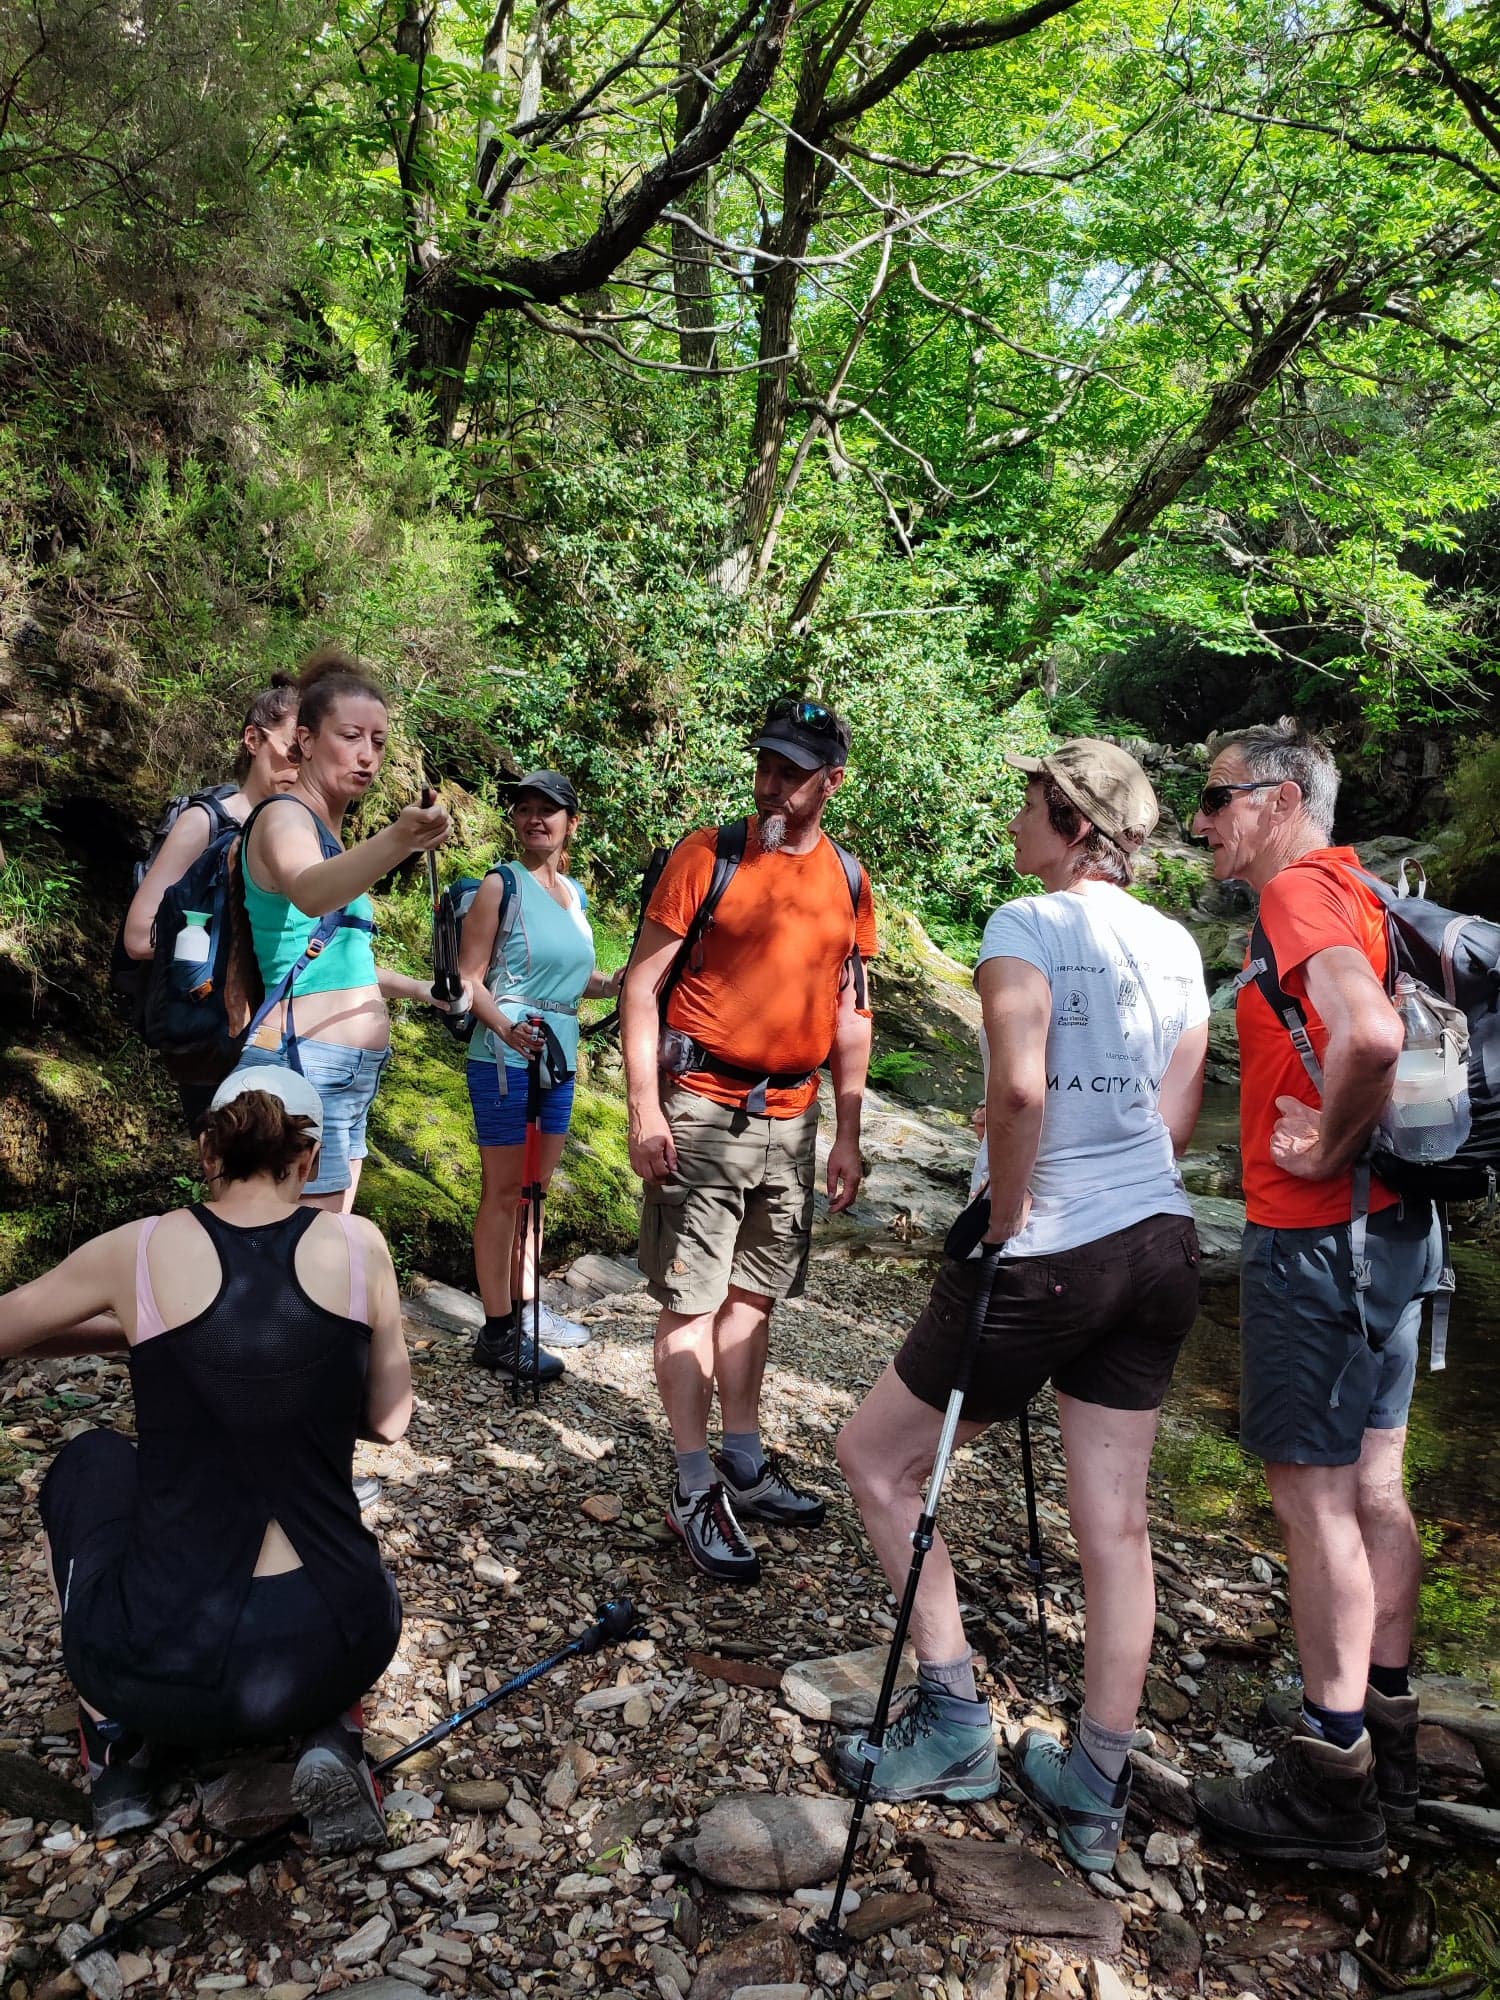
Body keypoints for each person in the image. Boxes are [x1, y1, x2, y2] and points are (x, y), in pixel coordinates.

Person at [833, 741, 1208, 1870]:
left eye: (1029, 801)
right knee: (1119, 1524)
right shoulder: (1182, 946)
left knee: (878, 1462)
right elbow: (1175, 1118)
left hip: (1047, 1248)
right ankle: (1094, 1783)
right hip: (1163, 1243)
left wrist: (1006, 1215)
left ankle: (953, 1726)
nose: (1013, 818)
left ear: (1075, 824)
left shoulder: (1025, 924)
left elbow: (1017, 1087)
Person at [2, 1066, 409, 1852]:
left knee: (90, 1461)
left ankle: (116, 1742)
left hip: (165, 1666)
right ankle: (330, 1730)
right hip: (344, 1643)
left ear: (208, 1150)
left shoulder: (140, 1249)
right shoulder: (362, 1247)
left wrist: (138, 1324)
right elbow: (390, 1422)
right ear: (310, 1156)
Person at [1188, 721, 1438, 1870]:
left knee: (1315, 1504)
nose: (1201, 822)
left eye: (1218, 798)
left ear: (1280, 800)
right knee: (1377, 1487)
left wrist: (1325, 1147)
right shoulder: (1363, 891)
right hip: (1398, 1234)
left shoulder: (1296, 896)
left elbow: (1375, 1034)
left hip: (1322, 1238)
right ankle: (1391, 1729)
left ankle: (1331, 1782)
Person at [622, 696, 877, 1585]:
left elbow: (850, 1012)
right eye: (764, 764)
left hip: (793, 1118)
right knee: (690, 1301)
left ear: (829, 783)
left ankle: (741, 1455)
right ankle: (693, 1485)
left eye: (790, 772)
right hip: (700, 1104)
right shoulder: (708, 854)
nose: (769, 783)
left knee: (755, 1296)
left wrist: (848, 1131)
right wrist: (644, 1112)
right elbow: (642, 987)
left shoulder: (847, 876)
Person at [233, 646, 464, 1213]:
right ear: (306, 741)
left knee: (320, 1248)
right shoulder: (284, 816)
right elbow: (309, 892)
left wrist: (415, 989)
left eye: (379, 743)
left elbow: (336, 959)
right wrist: (399, 839)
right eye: (351, 736)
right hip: (305, 1060)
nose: (367, 756)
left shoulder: (331, 838)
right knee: (300, 1252)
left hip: (344, 1072)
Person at [459, 770, 622, 1385]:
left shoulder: (574, 895)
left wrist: (617, 982)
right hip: (504, 1056)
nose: (536, 819)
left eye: (548, 811)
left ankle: (528, 1309)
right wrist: (505, 1028)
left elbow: (578, 979)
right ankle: (498, 1330)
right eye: (524, 809)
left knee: (535, 1188)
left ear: (571, 824)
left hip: (560, 1051)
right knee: (503, 1190)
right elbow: (469, 980)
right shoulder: (500, 885)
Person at [122, 677, 301, 1129]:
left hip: (281, 1028)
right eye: (291, 750)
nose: (299, 768)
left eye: (310, 753)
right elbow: (140, 935)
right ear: (253, 740)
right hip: (214, 1030)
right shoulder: (206, 821)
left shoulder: (302, 832)